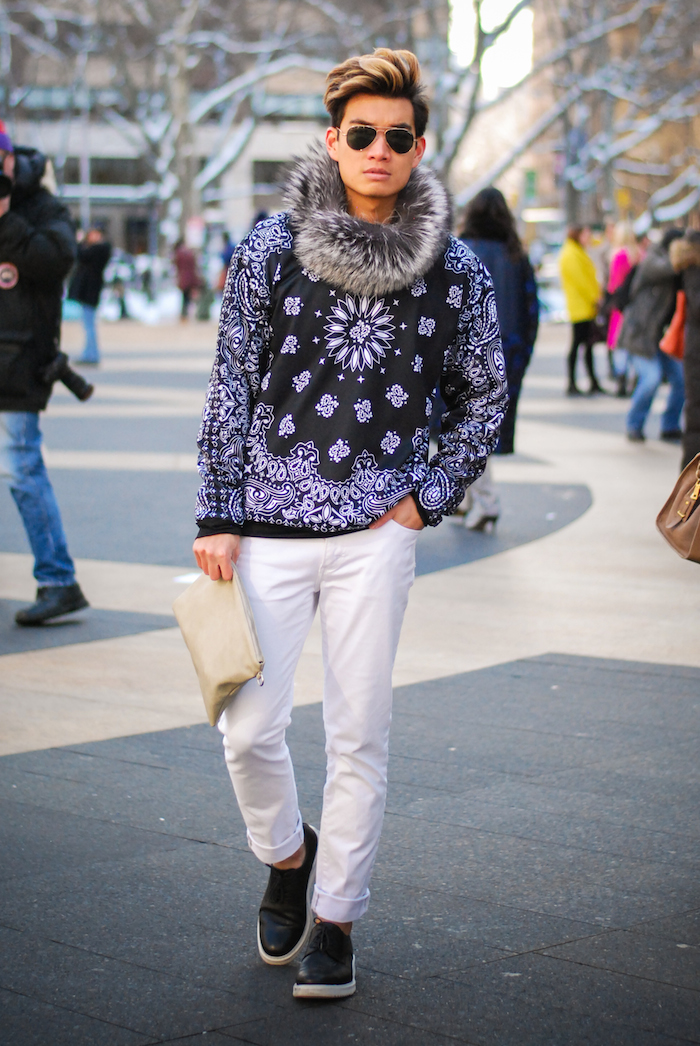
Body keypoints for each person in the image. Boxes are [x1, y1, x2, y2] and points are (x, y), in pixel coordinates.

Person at [192, 48, 506, 1000]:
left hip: (378, 533)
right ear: (332, 140)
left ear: (420, 148)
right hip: (270, 529)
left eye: (397, 136)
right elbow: (233, 386)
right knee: (248, 728)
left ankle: (337, 919)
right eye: (360, 133)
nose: (379, 149)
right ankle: (288, 859)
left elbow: (485, 393)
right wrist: (217, 507)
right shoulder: (268, 250)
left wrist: (426, 497)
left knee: (360, 733)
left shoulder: (453, 271)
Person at [0, 121, 89, 625]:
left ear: (11, 158)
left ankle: (58, 580)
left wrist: (5, 219)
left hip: (20, 364)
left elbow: (58, 260)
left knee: (21, 470)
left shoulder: (40, 204)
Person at [459, 187, 539, 530]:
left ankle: (485, 500)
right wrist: (521, 354)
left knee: (464, 430)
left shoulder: (461, 252)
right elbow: (531, 312)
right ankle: (469, 498)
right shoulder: (516, 256)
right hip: (506, 355)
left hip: (463, 358)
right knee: (484, 431)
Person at [618, 228, 685, 443]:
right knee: (650, 379)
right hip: (640, 334)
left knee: (681, 379)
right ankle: (634, 425)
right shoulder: (653, 259)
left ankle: (670, 425)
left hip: (660, 336)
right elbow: (666, 268)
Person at [559, 225, 604, 395]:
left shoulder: (576, 251)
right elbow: (582, 281)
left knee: (587, 345)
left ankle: (592, 380)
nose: (589, 238)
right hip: (580, 306)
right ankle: (572, 382)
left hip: (584, 306)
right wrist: (595, 297)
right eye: (586, 234)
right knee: (578, 344)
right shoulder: (571, 254)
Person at [670, 229, 700, 466]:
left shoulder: (689, 269)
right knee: (695, 413)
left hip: (694, 348)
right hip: (696, 351)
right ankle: (690, 478)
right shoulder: (693, 271)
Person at [605, 221, 641, 397]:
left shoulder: (619, 255)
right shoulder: (638, 254)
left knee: (620, 343)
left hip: (620, 304)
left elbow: (614, 283)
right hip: (636, 304)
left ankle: (621, 380)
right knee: (632, 341)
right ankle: (634, 379)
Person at [67, 226, 112, 364]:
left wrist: (80, 242)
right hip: (90, 292)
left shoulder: (99, 249)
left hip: (90, 292)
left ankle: (91, 355)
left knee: (89, 325)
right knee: (88, 325)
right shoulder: (100, 249)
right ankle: (89, 353)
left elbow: (81, 255)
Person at [172, 239, 199, 321]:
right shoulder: (189, 253)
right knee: (187, 297)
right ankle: (185, 314)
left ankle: (184, 314)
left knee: (184, 297)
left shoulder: (179, 254)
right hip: (190, 278)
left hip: (183, 278)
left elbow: (175, 264)